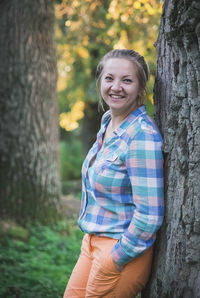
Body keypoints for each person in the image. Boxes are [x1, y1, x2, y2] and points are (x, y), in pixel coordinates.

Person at [63, 49, 164, 298]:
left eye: (126, 80)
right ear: (100, 82)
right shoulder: (109, 121)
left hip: (122, 251)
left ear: (140, 87)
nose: (116, 87)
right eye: (109, 78)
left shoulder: (141, 136)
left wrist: (116, 259)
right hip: (92, 243)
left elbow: (150, 216)